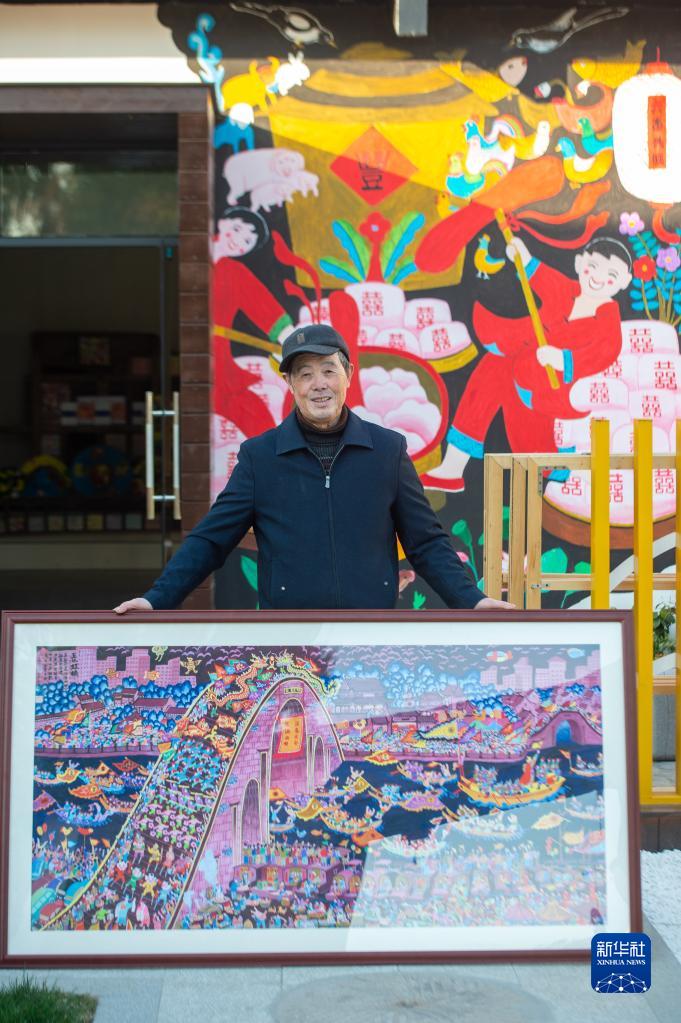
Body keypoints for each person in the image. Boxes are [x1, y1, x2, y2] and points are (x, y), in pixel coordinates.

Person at [114, 324, 512, 614]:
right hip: (289, 637)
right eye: (305, 374)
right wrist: (156, 600)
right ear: (290, 383)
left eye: (328, 370)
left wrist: (472, 601)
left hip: (371, 631)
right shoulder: (260, 457)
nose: (318, 384)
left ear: (348, 375)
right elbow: (210, 540)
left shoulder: (387, 451)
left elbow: (425, 542)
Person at [421, 234, 633, 491]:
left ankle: (554, 470)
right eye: (593, 266)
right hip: (522, 371)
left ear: (624, 281)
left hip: (551, 391)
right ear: (579, 263)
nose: (598, 278)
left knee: (531, 441)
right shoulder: (565, 290)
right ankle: (453, 467)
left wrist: (564, 360)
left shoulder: (608, 322)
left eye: (611, 275)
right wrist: (524, 257)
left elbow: (604, 353)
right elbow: (542, 277)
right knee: (492, 370)